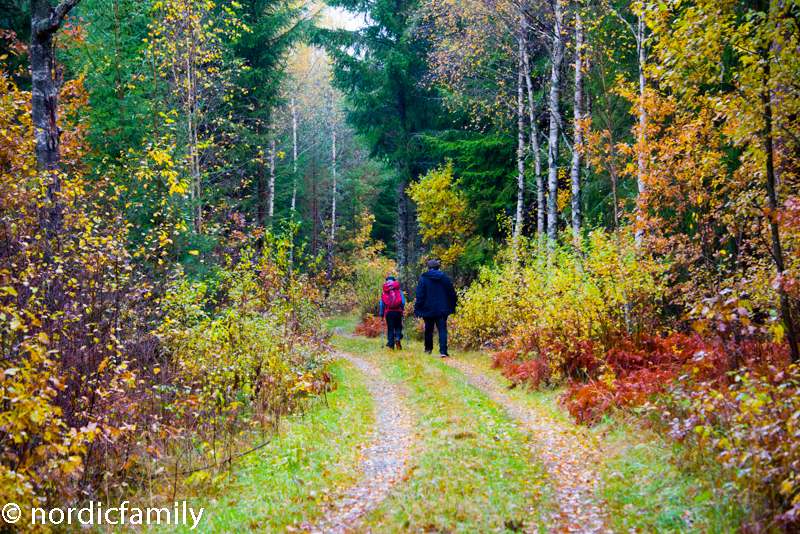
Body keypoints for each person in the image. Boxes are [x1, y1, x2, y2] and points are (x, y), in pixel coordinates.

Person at [414, 260, 458, 357]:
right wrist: (453, 304)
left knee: (428, 329)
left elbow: (420, 295)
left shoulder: (423, 279)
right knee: (442, 329)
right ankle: (443, 351)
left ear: (428, 268)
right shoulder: (444, 277)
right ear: (438, 268)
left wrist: (417, 308)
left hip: (428, 309)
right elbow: (452, 292)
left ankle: (428, 349)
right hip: (442, 309)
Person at [379, 276, 405, 350]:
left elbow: (382, 304)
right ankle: (397, 338)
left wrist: (381, 313)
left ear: (386, 280)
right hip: (398, 311)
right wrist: (402, 309)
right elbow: (402, 301)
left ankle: (391, 345)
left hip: (389, 311)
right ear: (394, 281)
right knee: (398, 326)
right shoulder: (398, 290)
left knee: (390, 327)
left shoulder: (385, 290)